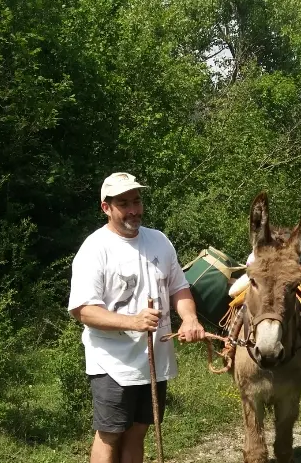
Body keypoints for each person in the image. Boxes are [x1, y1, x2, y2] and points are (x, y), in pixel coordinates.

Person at [68, 172, 205, 463]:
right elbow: (83, 310)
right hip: (112, 363)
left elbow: (179, 288)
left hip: (155, 358)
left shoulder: (159, 241)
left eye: (137, 201)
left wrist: (190, 319)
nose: (134, 210)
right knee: (110, 434)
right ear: (106, 207)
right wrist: (133, 322)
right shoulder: (94, 249)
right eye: (124, 203)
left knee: (137, 432)